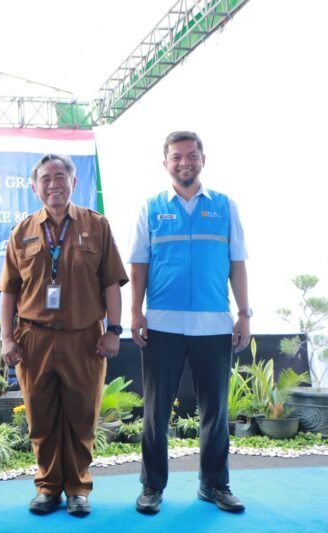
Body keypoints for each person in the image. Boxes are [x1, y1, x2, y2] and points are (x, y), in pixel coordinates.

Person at [0, 154, 127, 518]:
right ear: (34, 186)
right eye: (45, 178)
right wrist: (7, 338)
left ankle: (78, 488)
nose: (53, 184)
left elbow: (112, 283)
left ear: (74, 182)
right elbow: (8, 291)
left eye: (60, 177)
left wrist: (114, 331)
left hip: (84, 338)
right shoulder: (21, 232)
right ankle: (48, 486)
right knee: (41, 417)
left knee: (82, 416)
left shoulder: (96, 226)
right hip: (34, 339)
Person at [130, 131, 249, 515]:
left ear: (203, 159)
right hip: (162, 324)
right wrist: (135, 312)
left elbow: (237, 263)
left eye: (192, 155)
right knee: (156, 411)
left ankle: (214, 484)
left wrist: (244, 314)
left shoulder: (225, 207)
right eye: (177, 156)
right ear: (165, 162)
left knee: (215, 410)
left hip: (214, 324)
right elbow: (139, 264)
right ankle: (151, 487)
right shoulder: (150, 209)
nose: (185, 162)